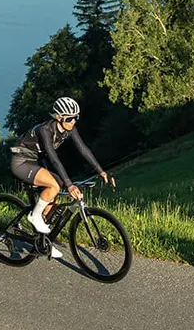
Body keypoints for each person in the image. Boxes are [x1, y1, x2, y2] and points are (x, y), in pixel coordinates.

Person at [7, 96, 114, 259]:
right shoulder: (45, 130)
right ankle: (34, 216)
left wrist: (101, 171)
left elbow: (83, 149)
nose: (73, 121)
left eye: (76, 117)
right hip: (22, 161)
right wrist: (70, 185)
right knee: (55, 186)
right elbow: (53, 159)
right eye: (70, 118)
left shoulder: (70, 129)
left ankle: (43, 241)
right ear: (58, 117)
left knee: (55, 192)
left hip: (36, 161)